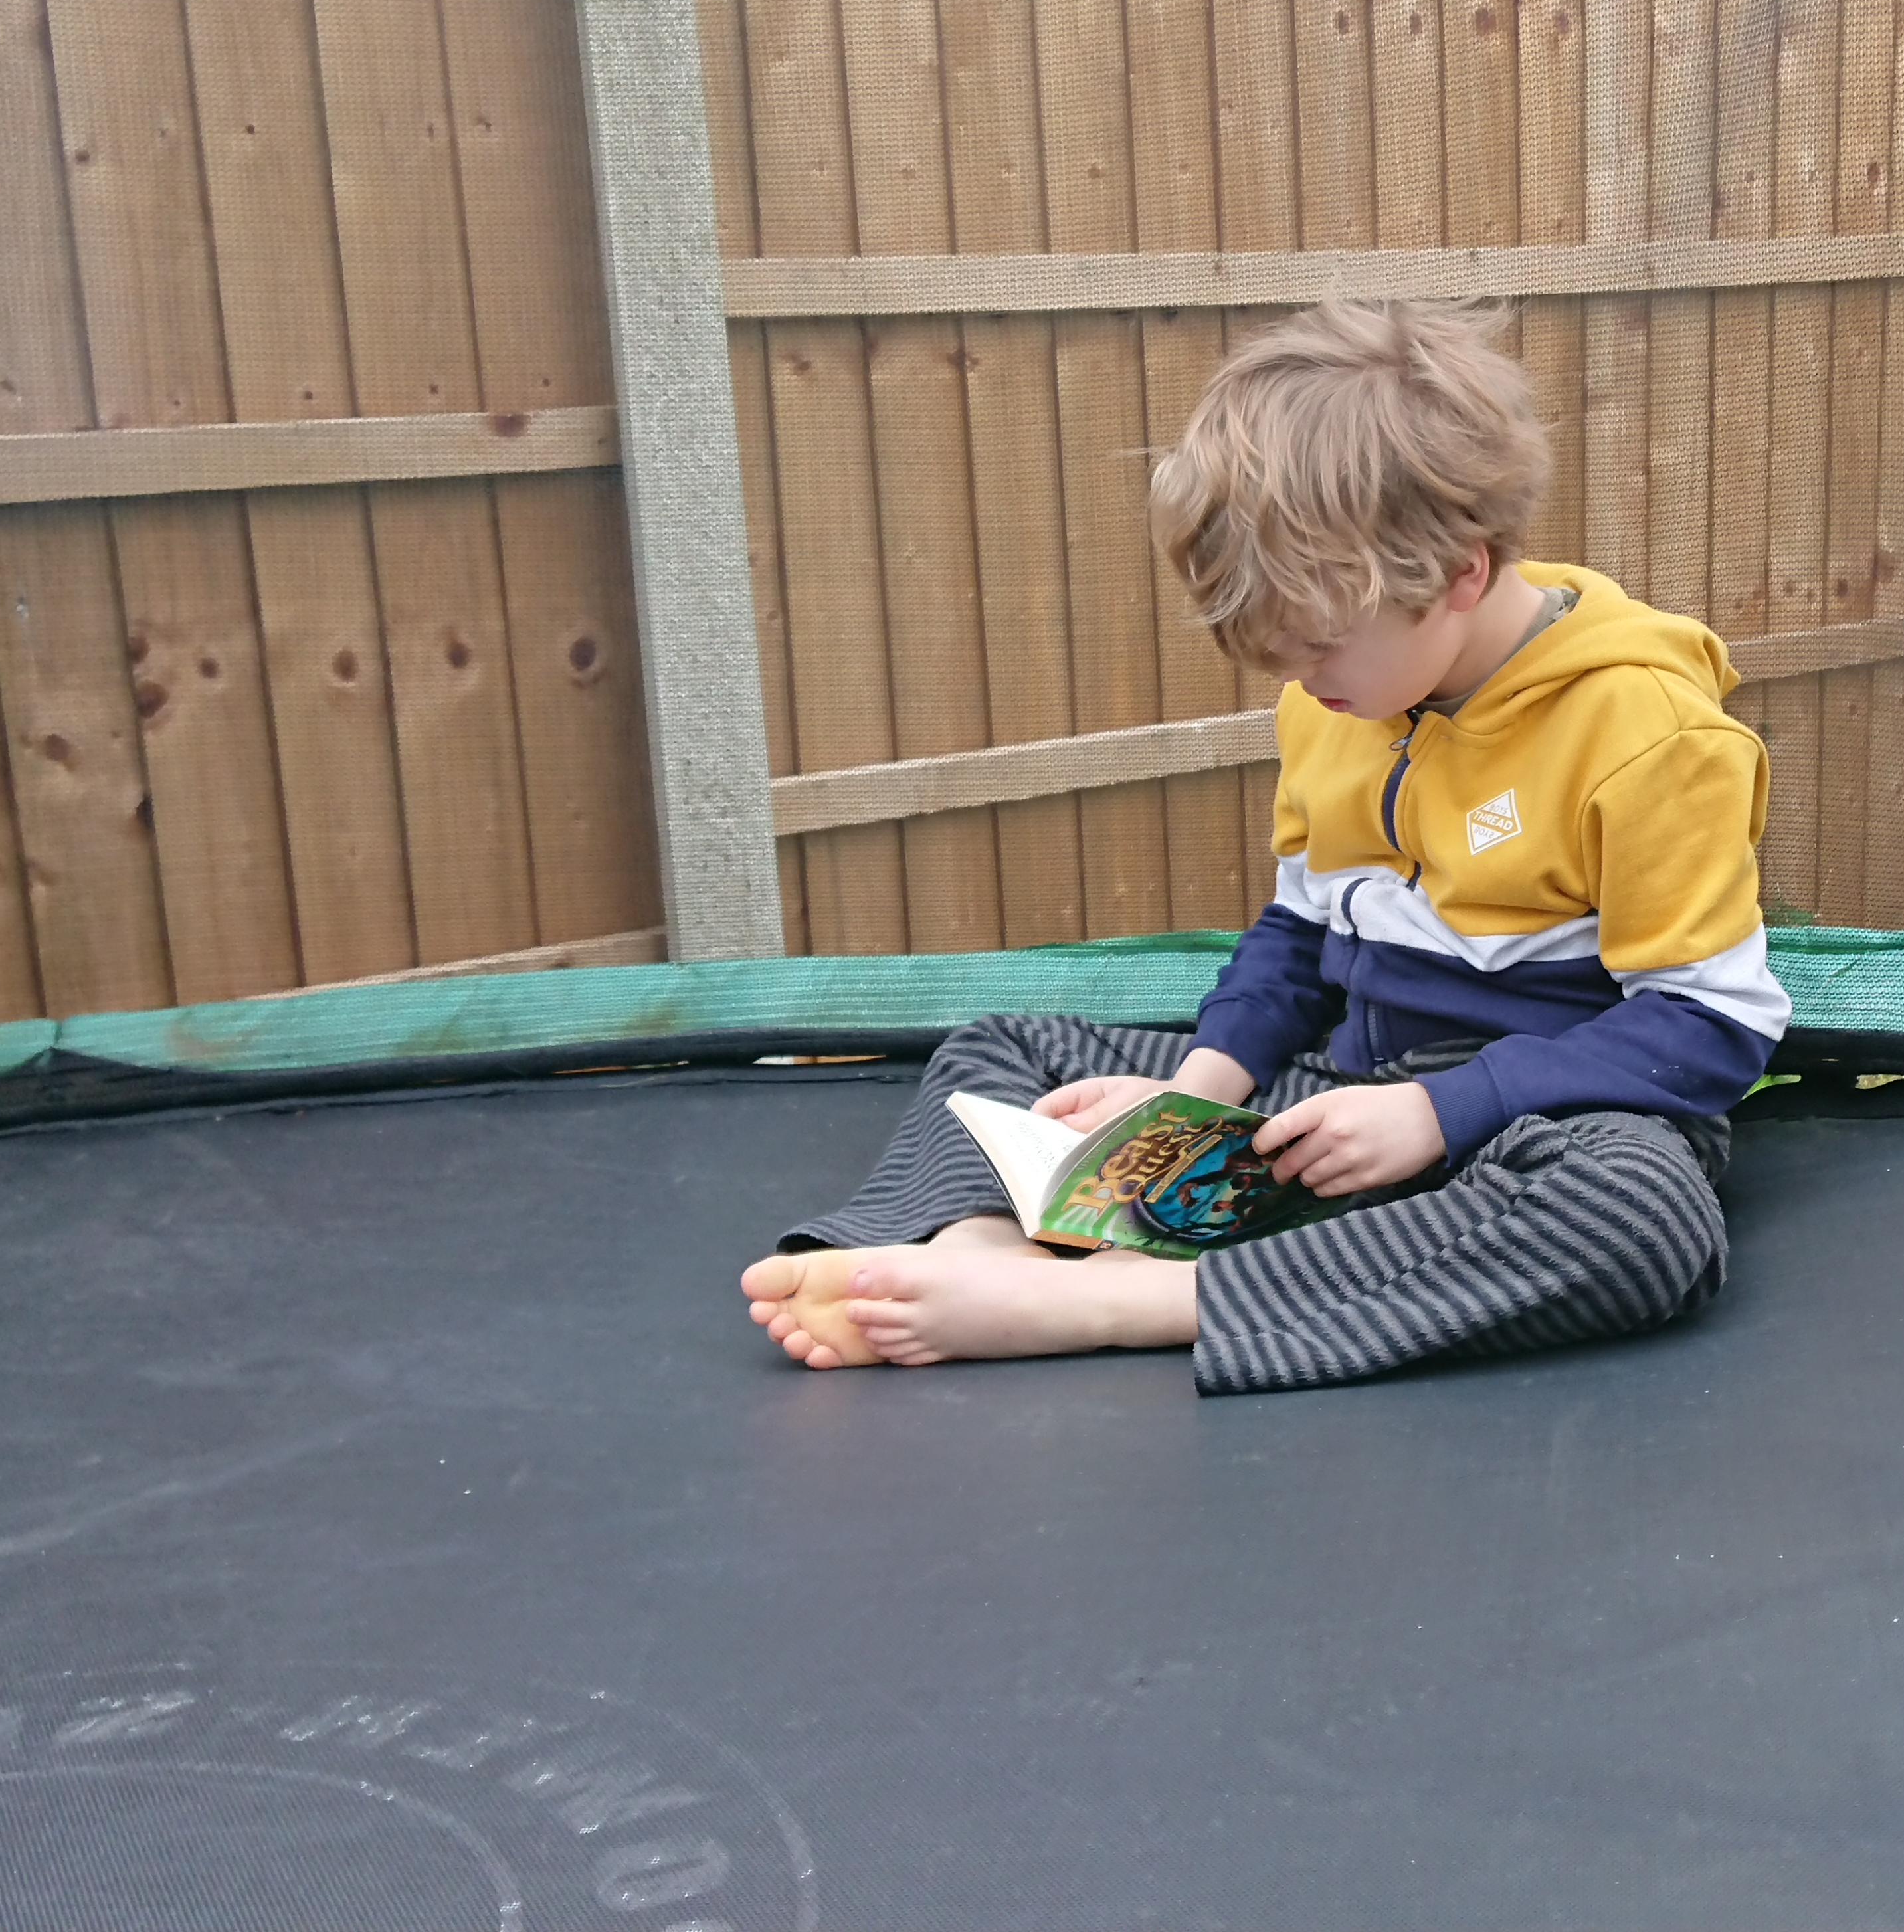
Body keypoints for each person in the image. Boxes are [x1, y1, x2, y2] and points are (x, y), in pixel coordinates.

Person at [735, 299, 1788, 1394]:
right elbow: (1299, 932)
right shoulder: (1333, 704)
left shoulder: (1648, 736)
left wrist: (1439, 1113)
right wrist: (1196, 1096)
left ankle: (1118, 1303)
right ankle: (981, 1259)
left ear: (1462, 575)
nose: (1295, 678)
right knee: (1003, 1052)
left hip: (1538, 1117)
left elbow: (1710, 1028)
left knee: (1639, 1212)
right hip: (1331, 1099)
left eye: (1318, 644)